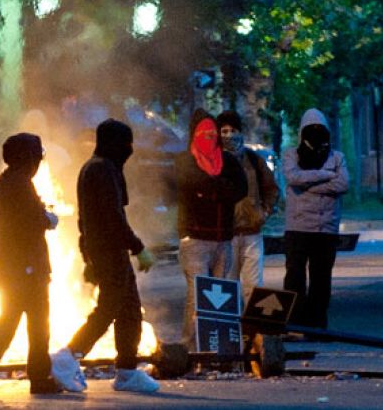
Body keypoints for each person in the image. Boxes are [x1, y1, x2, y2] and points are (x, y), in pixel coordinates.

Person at [50, 119, 160, 393]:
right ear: (114, 143)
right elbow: (112, 217)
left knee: (129, 311)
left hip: (105, 251)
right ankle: (68, 356)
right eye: (127, 143)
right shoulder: (102, 169)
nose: (130, 149)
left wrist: (87, 253)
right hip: (110, 252)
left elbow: (85, 219)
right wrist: (138, 248)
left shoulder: (97, 167)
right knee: (110, 308)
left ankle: (126, 371)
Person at [0, 133, 61, 395]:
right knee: (36, 325)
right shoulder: (18, 183)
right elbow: (30, 223)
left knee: (8, 322)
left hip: (13, 269)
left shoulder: (8, 181)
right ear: (29, 158)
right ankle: (38, 378)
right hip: (24, 269)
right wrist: (49, 219)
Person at [174, 108, 248, 350]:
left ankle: (221, 347)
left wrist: (209, 190)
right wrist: (218, 191)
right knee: (198, 297)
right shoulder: (185, 161)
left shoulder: (227, 161)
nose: (209, 136)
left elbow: (239, 190)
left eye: (212, 132)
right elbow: (189, 184)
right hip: (194, 240)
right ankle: (191, 348)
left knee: (222, 296)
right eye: (203, 132)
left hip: (223, 239)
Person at [282, 108, 349, 329]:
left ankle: (316, 324)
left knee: (321, 280)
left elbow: (342, 185)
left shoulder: (337, 157)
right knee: (295, 278)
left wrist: (308, 184)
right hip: (298, 228)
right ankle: (294, 322)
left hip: (326, 229)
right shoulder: (292, 154)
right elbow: (293, 178)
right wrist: (325, 176)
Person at [218, 110, 279, 302]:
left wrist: (264, 212)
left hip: (252, 232)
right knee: (228, 287)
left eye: (233, 130)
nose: (229, 135)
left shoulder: (253, 159)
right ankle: (232, 329)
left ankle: (252, 330)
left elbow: (271, 189)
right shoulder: (214, 161)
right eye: (224, 130)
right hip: (226, 235)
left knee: (253, 287)